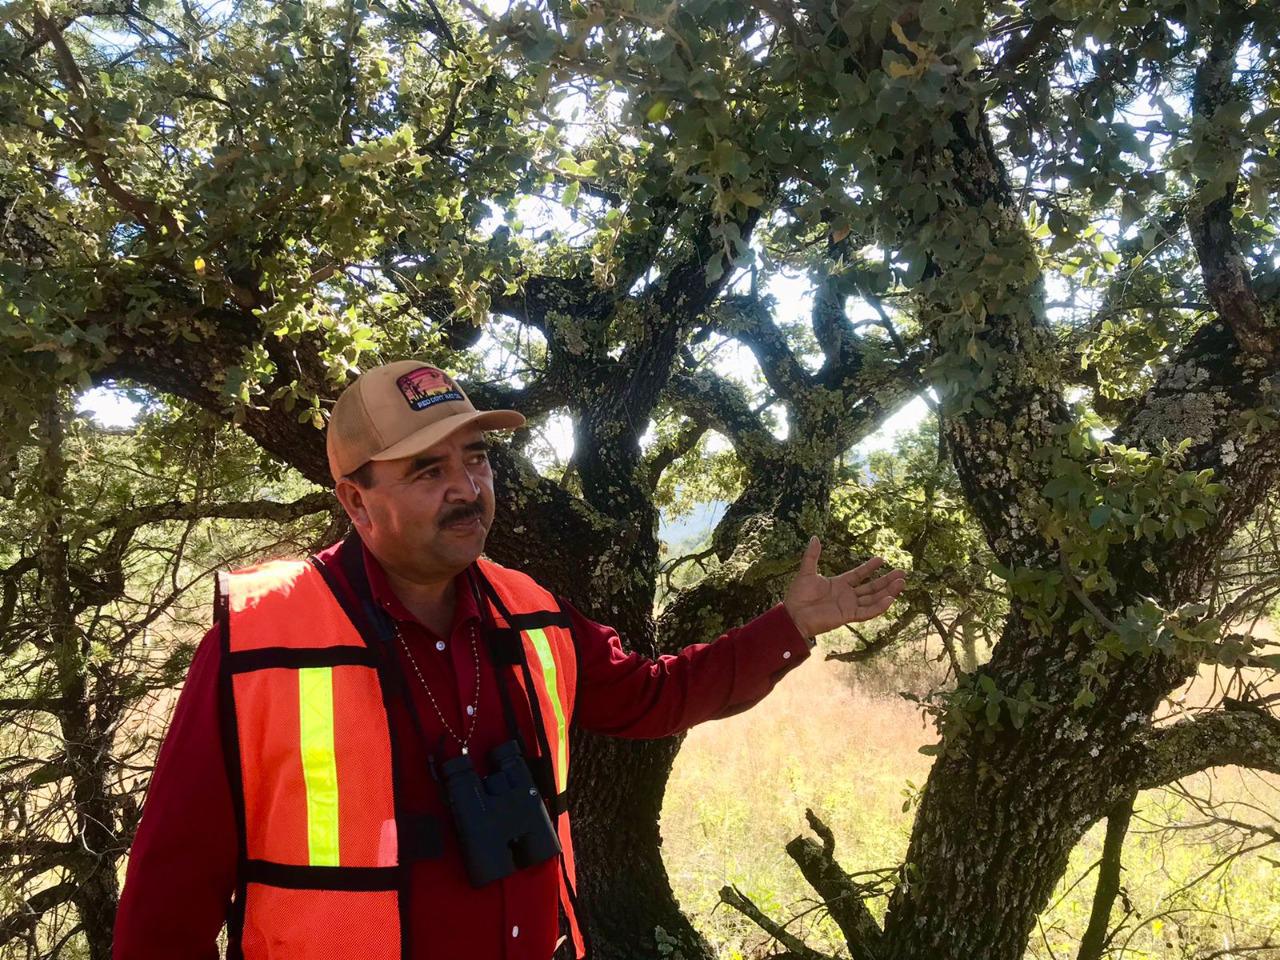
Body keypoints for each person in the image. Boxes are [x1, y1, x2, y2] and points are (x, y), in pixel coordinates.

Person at [112, 360, 907, 960]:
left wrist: (790, 625)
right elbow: (170, 893)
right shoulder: (259, 642)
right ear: (355, 500)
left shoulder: (527, 610)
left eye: (477, 458)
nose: (468, 488)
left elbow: (653, 696)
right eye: (428, 469)